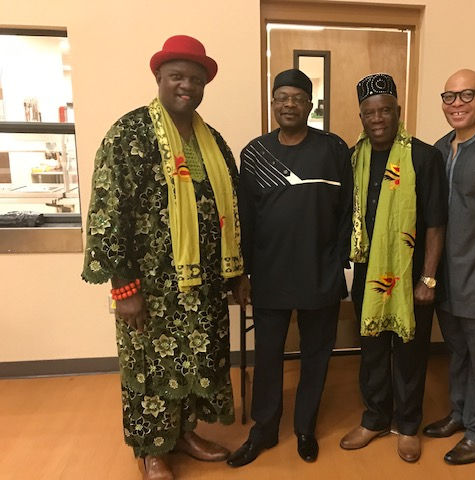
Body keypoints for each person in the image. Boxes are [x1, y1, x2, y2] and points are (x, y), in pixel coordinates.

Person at [81, 35, 243, 480]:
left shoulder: (213, 141)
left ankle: (185, 434)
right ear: (158, 77)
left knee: (194, 359)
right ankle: (152, 450)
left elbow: (232, 210)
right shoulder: (129, 134)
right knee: (150, 368)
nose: (186, 85)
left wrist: (236, 273)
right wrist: (124, 288)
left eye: (195, 79)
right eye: (176, 76)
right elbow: (108, 213)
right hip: (150, 288)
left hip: (202, 285)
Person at [227, 69, 353, 467]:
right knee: (268, 355)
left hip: (320, 271)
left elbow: (348, 210)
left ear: (310, 104)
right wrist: (243, 272)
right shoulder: (255, 153)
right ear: (273, 103)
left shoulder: (333, 149)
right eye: (281, 97)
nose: (289, 104)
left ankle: (305, 428)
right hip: (270, 272)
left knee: (316, 354)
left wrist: (340, 261)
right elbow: (245, 217)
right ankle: (264, 429)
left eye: (298, 98)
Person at [339, 73, 447, 462]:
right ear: (361, 117)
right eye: (370, 112)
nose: (378, 118)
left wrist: (428, 278)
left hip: (411, 275)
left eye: (385, 110)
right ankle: (375, 419)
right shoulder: (354, 158)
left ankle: (407, 425)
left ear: (398, 111)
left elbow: (436, 223)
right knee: (371, 350)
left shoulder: (423, 157)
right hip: (367, 274)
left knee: (410, 353)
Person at [423, 69, 475, 465]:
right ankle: (460, 414)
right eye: (449, 96)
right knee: (457, 353)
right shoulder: (439, 149)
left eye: (467, 95)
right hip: (444, 278)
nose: (456, 103)